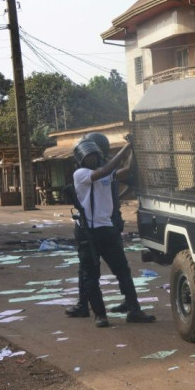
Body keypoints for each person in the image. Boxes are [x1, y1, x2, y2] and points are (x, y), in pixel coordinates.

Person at [71, 136, 155, 327]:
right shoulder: (81, 174)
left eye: (94, 156)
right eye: (88, 157)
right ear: (81, 160)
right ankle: (100, 315)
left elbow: (127, 171)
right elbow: (106, 170)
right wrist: (127, 147)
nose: (91, 159)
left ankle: (134, 310)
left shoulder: (104, 173)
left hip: (106, 229)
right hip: (88, 231)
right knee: (91, 276)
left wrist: (132, 151)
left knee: (123, 271)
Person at [64, 133, 127, 318]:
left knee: (97, 270)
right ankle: (108, 310)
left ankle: (86, 306)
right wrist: (128, 148)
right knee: (97, 271)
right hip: (99, 224)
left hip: (104, 224)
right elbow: (109, 175)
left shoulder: (104, 169)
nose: (92, 156)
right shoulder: (90, 172)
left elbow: (119, 176)